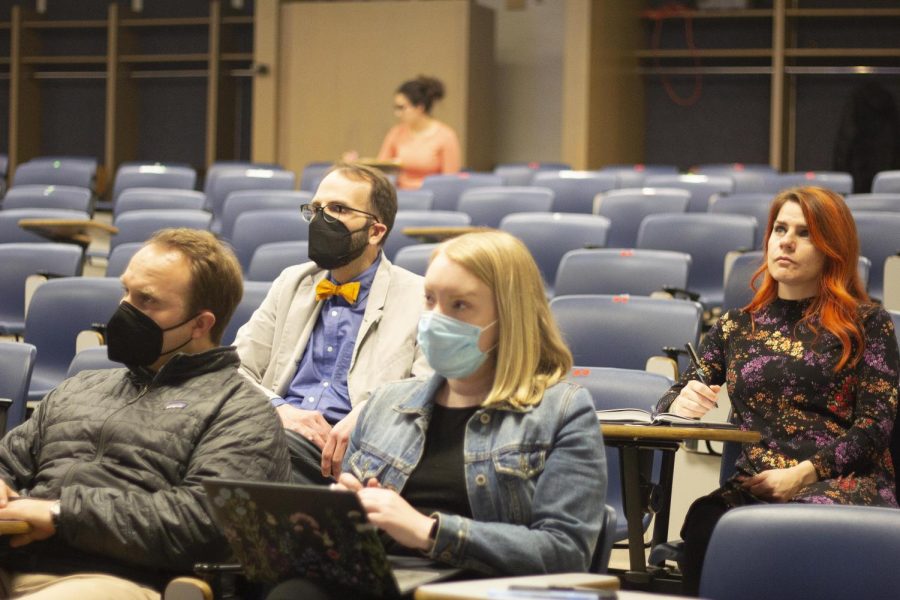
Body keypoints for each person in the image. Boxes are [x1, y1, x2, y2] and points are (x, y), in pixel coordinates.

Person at [265, 230, 608, 599]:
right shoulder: (385, 403)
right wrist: (347, 518)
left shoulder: (563, 411)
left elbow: (565, 552)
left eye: (459, 305)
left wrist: (428, 531)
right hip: (384, 581)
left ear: (510, 315)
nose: (434, 318)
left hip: (483, 588)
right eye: (429, 300)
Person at [0, 229, 290, 599]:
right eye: (126, 292)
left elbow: (204, 523)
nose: (125, 309)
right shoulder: (81, 386)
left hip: (121, 580)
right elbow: (9, 461)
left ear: (200, 325)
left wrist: (61, 514)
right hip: (15, 561)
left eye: (146, 300)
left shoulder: (240, 410)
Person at [657, 187, 900, 595]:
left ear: (832, 248)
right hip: (759, 486)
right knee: (704, 522)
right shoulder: (737, 326)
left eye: (804, 233)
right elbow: (675, 396)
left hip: (845, 482)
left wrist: (804, 475)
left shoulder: (867, 323)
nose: (785, 240)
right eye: (780, 229)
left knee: (796, 532)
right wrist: (678, 401)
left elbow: (875, 426)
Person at [234, 163, 430, 484]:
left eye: (337, 209)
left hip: (357, 452)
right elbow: (234, 368)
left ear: (375, 232)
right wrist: (280, 411)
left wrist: (369, 414)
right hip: (276, 435)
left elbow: (428, 388)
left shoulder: (419, 296)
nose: (320, 220)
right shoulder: (292, 283)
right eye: (315, 209)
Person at [375, 75, 461, 190]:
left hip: (431, 198)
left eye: (402, 108)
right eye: (396, 108)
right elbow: (381, 168)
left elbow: (450, 181)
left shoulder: (446, 136)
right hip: (399, 195)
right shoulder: (396, 132)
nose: (398, 113)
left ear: (420, 108)